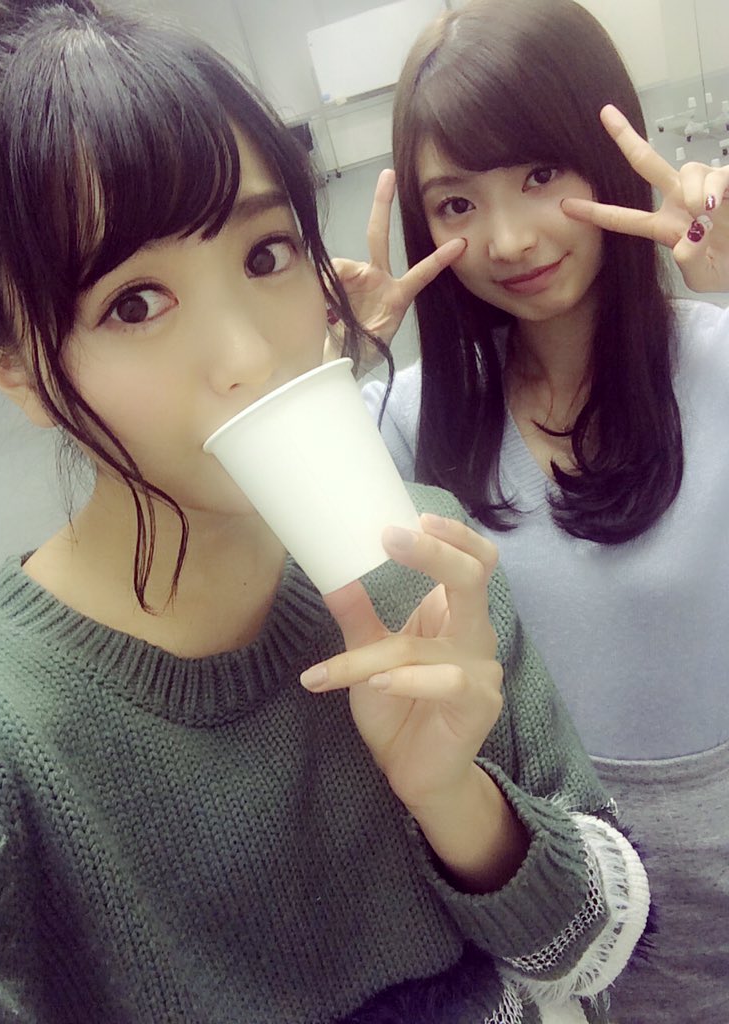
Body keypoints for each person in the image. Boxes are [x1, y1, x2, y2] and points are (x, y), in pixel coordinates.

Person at [0, 2, 651, 1022]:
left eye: (266, 254)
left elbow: (595, 956)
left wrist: (456, 800)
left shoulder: (420, 551)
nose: (249, 353)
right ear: (13, 369)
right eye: (134, 303)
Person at [346, 0, 729, 1018]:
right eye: (457, 203)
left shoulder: (719, 360)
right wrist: (321, 378)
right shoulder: (401, 421)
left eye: (541, 174)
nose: (509, 238)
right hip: (560, 890)